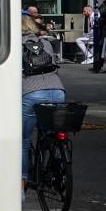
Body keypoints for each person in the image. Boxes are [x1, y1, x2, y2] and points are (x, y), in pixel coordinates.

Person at [21, 30, 66, 194]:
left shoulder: (16, 45)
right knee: (49, 129)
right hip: (58, 90)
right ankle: (55, 163)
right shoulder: (46, 43)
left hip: (32, 92)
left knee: (23, 140)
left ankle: (22, 182)